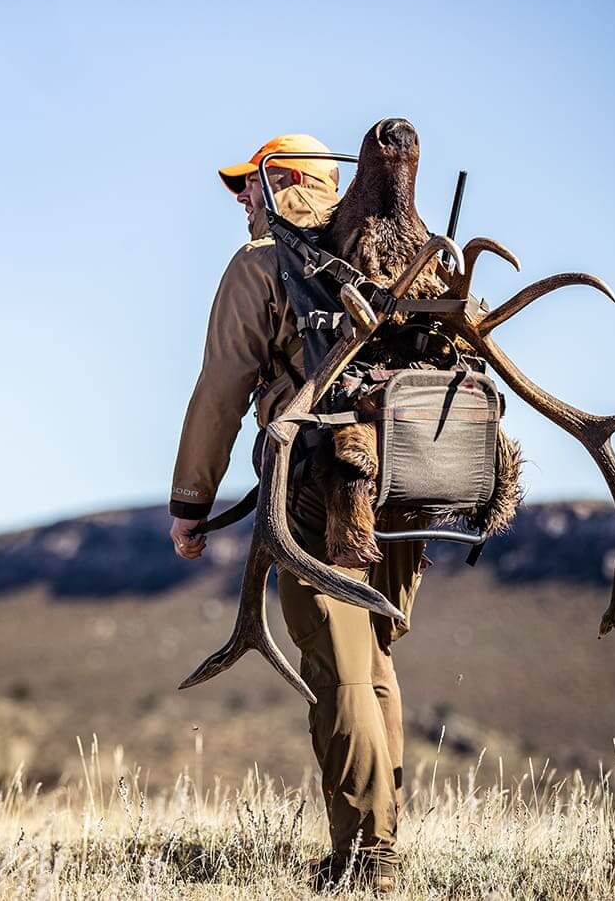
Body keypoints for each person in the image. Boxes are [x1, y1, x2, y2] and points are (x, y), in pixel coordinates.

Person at [167, 133, 426, 893]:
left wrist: (191, 504)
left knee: (338, 666)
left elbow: (220, 391)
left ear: (282, 185)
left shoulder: (261, 265)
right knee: (370, 661)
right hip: (407, 488)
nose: (241, 200)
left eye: (248, 184)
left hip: (323, 484)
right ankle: (372, 840)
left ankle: (367, 856)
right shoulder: (396, 259)